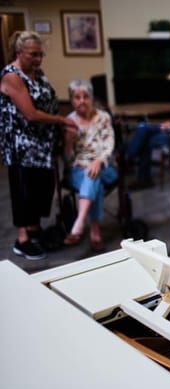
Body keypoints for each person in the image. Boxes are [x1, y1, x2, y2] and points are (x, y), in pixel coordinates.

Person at [0, 30, 77, 260]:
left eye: (40, 54)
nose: (38, 59)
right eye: (33, 54)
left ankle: (34, 228)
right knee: (23, 190)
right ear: (19, 52)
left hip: (42, 144)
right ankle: (22, 238)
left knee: (41, 188)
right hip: (21, 146)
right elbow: (31, 114)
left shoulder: (37, 73)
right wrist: (62, 119)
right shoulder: (11, 76)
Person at [62, 80, 117, 252]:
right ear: (72, 100)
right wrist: (68, 142)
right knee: (94, 179)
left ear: (91, 98)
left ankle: (79, 221)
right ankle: (95, 232)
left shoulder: (103, 118)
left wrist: (98, 161)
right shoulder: (69, 121)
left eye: (86, 96)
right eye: (77, 97)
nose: (82, 101)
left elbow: (109, 145)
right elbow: (68, 158)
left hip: (105, 166)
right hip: (79, 169)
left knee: (94, 172)